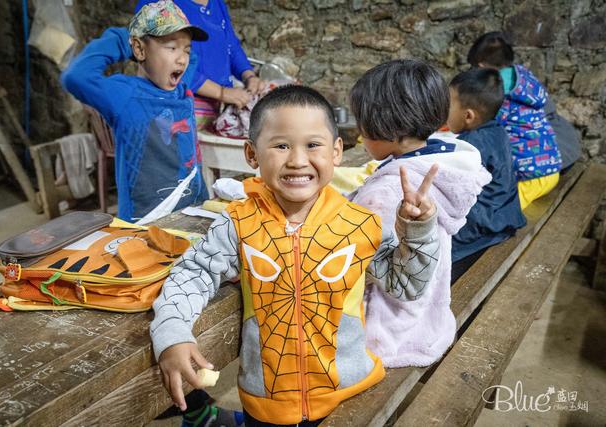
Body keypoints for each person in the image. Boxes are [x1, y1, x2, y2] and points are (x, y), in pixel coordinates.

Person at [150, 85, 442, 426]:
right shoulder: (237, 223)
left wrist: (418, 230)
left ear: (336, 152)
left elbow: (407, 285)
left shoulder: (360, 223)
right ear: (252, 154)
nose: (298, 160)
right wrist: (171, 334)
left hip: (350, 394)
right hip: (266, 405)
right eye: (281, 145)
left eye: (313, 145)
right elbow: (192, 273)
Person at [348, 59, 492, 367]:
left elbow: (359, 264)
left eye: (362, 121)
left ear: (387, 125)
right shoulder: (442, 164)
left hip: (383, 333)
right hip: (426, 321)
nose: (359, 130)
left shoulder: (387, 192)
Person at [61, 0, 211, 222]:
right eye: (171, 48)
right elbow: (76, 76)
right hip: (146, 222)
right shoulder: (125, 96)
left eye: (186, 50)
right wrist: (126, 41)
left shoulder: (181, 87)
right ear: (139, 48)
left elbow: (194, 58)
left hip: (193, 208)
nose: (182, 58)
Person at [446, 68, 527, 282]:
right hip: (503, 221)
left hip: (477, 234)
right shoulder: (498, 132)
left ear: (468, 115)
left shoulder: (471, 146)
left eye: (449, 105)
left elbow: (453, 193)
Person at [134, 0, 267, 128]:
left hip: (215, 111)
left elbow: (230, 45)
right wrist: (222, 93)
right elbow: (162, 63)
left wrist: (248, 75)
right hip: (177, 108)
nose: (183, 57)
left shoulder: (217, 3)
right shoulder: (158, 4)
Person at [468, 31, 562, 209]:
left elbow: (481, 126)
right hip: (550, 169)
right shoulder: (523, 77)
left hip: (532, 176)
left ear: (480, 66)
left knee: (500, 213)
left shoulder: (494, 89)